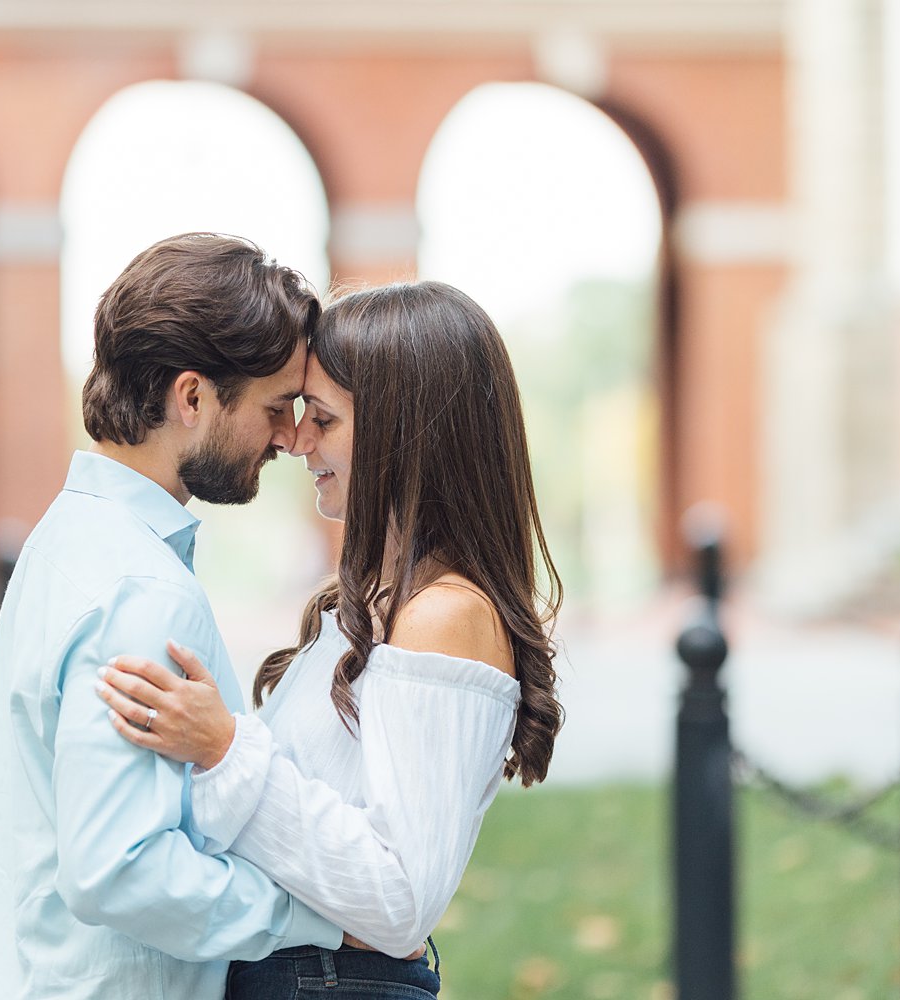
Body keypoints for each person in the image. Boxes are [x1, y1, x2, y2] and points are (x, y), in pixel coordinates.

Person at [96, 280, 564, 999]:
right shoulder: (377, 603)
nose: (295, 440)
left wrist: (227, 749)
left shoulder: (443, 617)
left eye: (323, 418)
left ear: (403, 432)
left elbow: (401, 900)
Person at [0, 233, 348, 1000]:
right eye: (276, 406)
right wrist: (318, 917)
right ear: (192, 397)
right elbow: (122, 868)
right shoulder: (140, 586)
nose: (288, 436)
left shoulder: (64, 541)